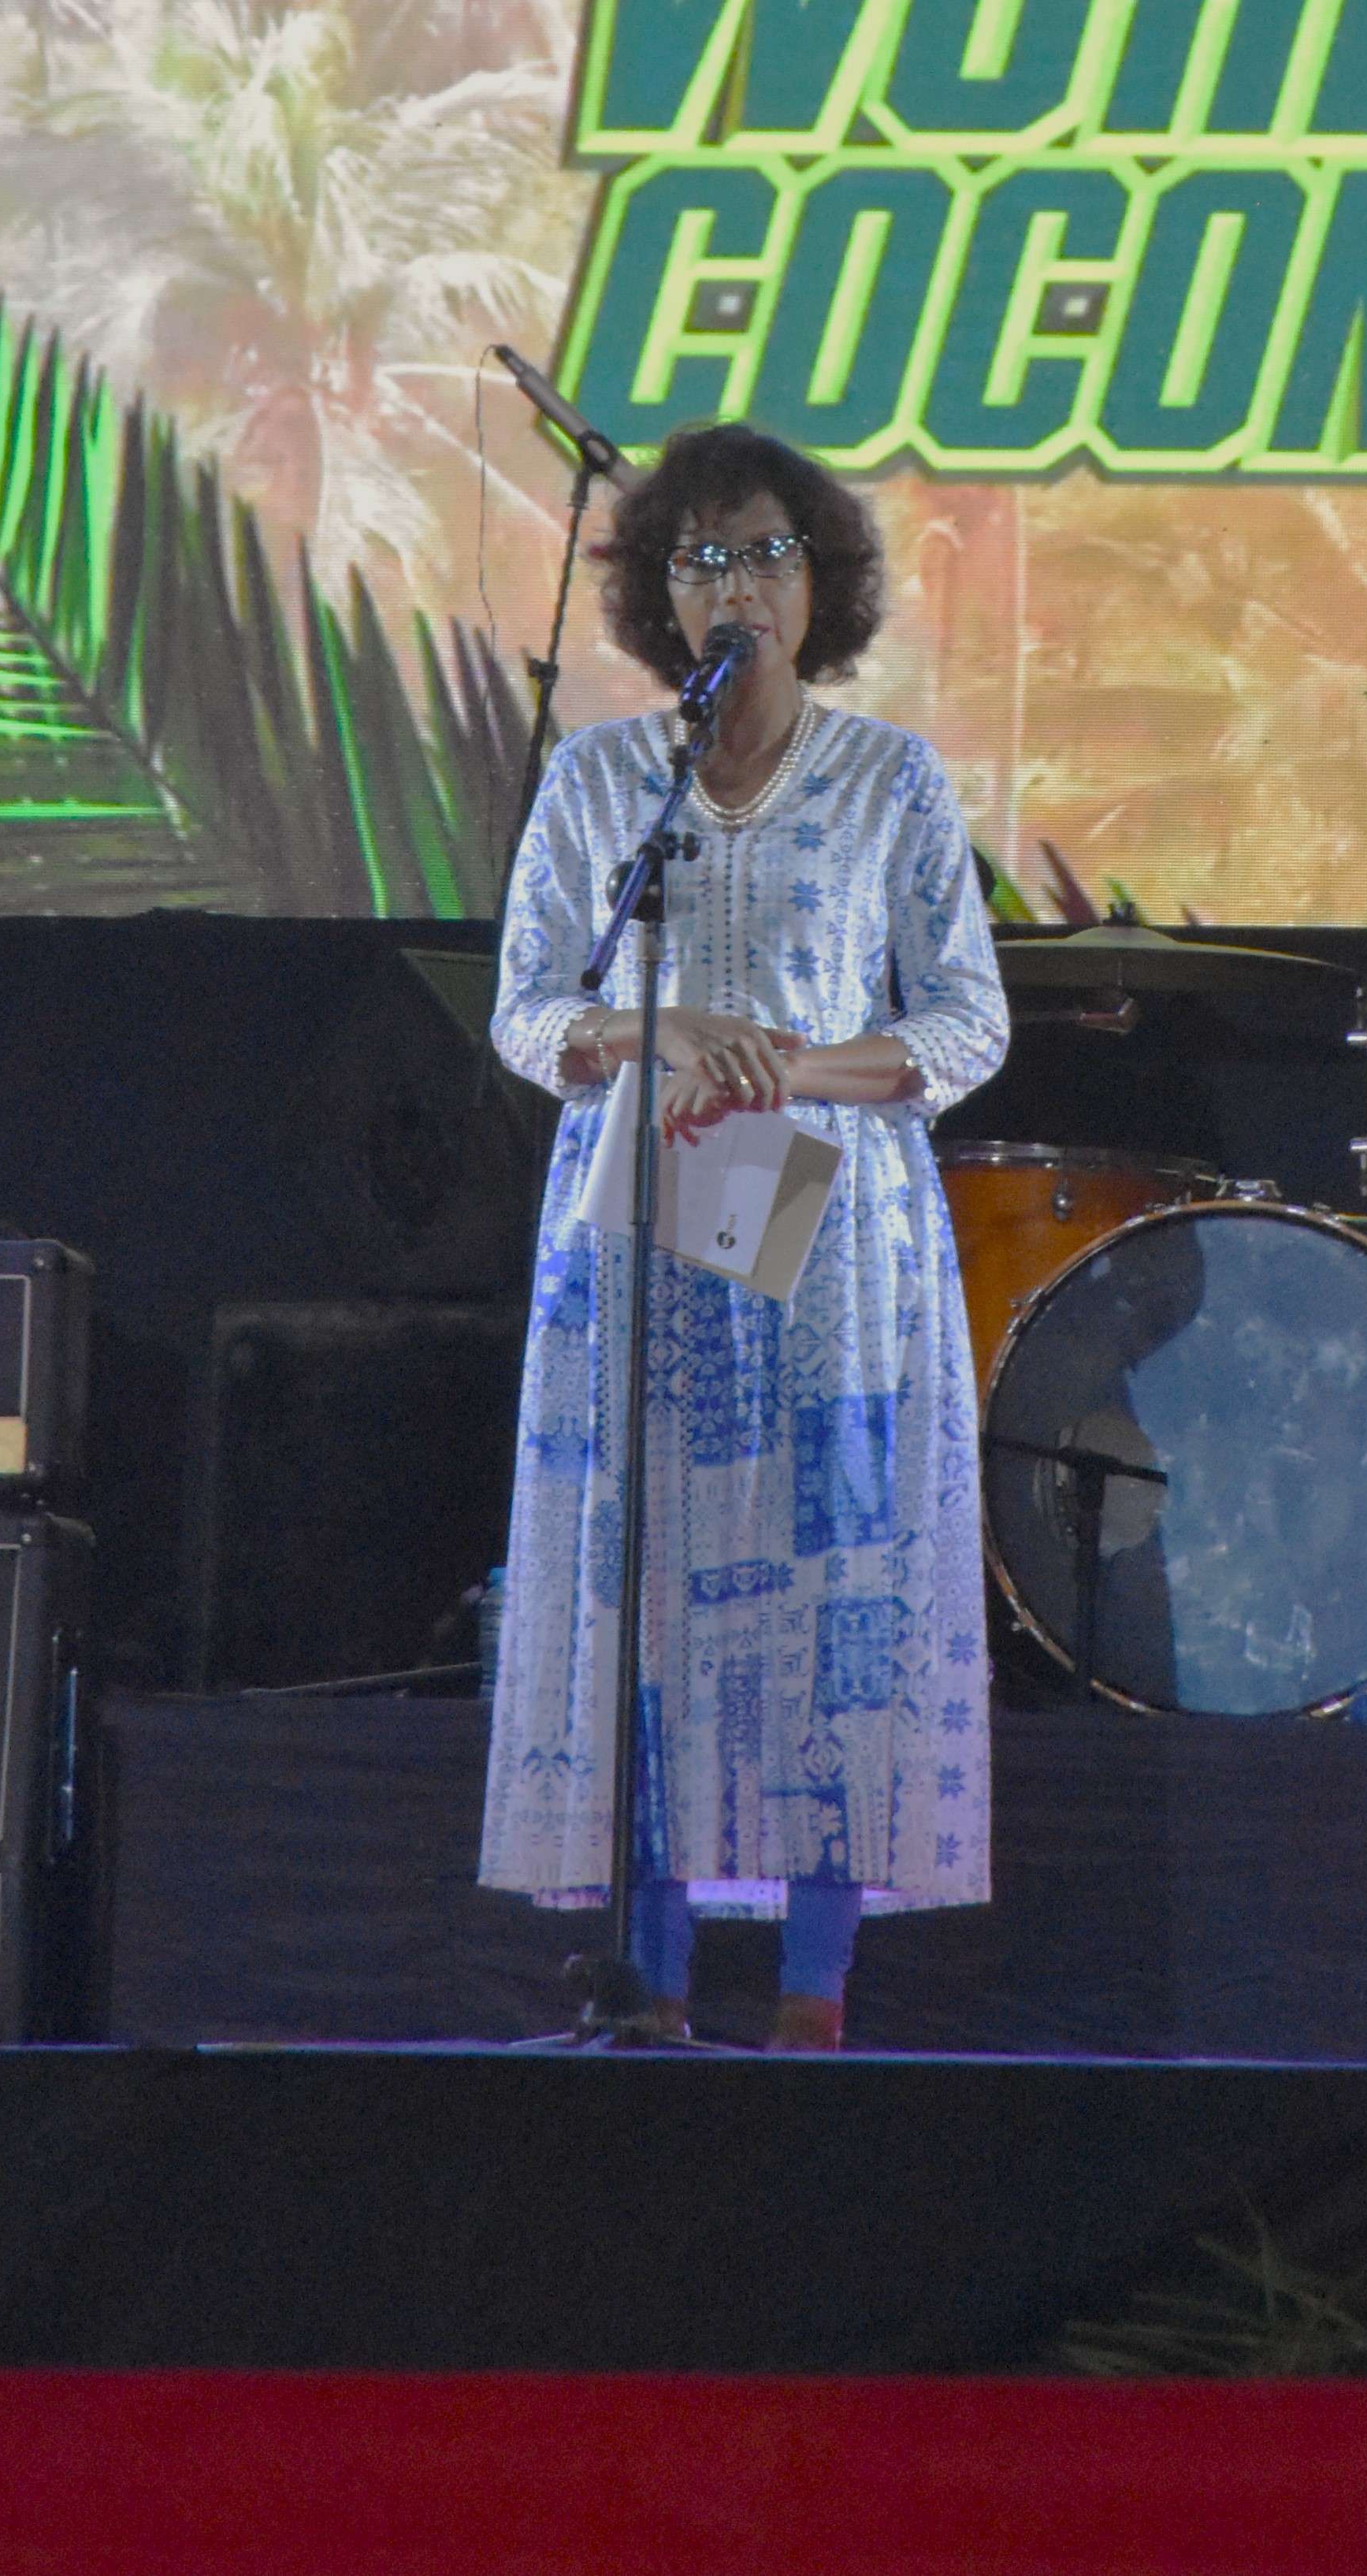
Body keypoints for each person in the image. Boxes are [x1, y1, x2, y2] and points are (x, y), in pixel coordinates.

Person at [479, 421, 1009, 2050]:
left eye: (768, 552)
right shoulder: (600, 783)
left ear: (819, 581)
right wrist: (659, 1035)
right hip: (641, 1225)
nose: (738, 586)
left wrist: (797, 1068)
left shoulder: (891, 780)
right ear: (661, 593)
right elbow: (527, 1013)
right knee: (647, 1588)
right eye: (702, 558)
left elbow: (968, 1022)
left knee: (827, 1598)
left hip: (831, 1233)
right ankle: (647, 1984)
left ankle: (811, 1990)